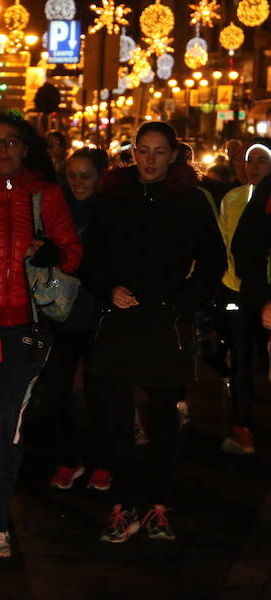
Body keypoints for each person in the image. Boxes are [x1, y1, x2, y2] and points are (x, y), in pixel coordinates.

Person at [0, 113, 82, 558]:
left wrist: (54, 251)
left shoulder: (46, 193)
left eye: (12, 141)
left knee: (8, 425)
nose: (3, 149)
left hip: (26, 329)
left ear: (26, 148)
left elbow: (73, 253)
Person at [84, 121, 225, 543]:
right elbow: (92, 259)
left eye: (158, 151)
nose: (149, 159)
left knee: (164, 418)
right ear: (132, 151)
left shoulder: (189, 200)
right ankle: (121, 504)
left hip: (166, 321)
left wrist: (181, 301)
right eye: (142, 150)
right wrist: (110, 289)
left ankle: (158, 505)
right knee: (116, 416)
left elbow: (214, 262)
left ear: (173, 154)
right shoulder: (113, 197)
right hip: (121, 319)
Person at [44, 147, 111, 490]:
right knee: (58, 390)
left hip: (99, 311)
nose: (78, 183)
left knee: (100, 392)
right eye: (72, 175)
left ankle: (102, 460)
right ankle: (68, 458)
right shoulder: (58, 208)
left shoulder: (109, 210)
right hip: (63, 312)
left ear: (100, 177)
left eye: (86, 176)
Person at [216, 139, 271, 455]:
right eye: (251, 160)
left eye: (262, 160)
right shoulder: (232, 198)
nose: (254, 167)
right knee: (240, 358)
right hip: (236, 288)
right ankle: (241, 426)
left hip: (267, 295)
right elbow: (225, 242)